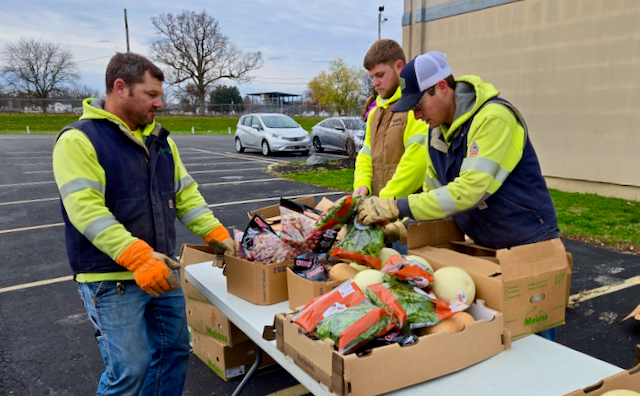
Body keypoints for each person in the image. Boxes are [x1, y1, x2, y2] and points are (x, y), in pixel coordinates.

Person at [52, 52, 234, 395]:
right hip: (111, 279)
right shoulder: (79, 140)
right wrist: (137, 258)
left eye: (159, 95)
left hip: (161, 271)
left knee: (174, 351)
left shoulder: (161, 141)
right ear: (120, 88)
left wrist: (216, 233)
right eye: (151, 95)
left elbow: (185, 196)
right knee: (129, 372)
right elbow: (86, 211)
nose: (159, 103)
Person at [356, 51, 560, 340]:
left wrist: (396, 206)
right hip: (485, 243)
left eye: (418, 105)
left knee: (535, 337)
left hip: (528, 243)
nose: (416, 115)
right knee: (500, 339)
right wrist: (404, 228)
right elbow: (433, 194)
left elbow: (469, 191)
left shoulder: (493, 118)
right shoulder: (436, 134)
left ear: (441, 87)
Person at [352, 39, 429, 250]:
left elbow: (417, 161)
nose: (375, 83)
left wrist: (382, 202)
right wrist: (362, 185)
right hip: (380, 218)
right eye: (372, 77)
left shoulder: (415, 107)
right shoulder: (375, 114)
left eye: (380, 75)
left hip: (410, 222)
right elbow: (365, 154)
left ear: (399, 67)